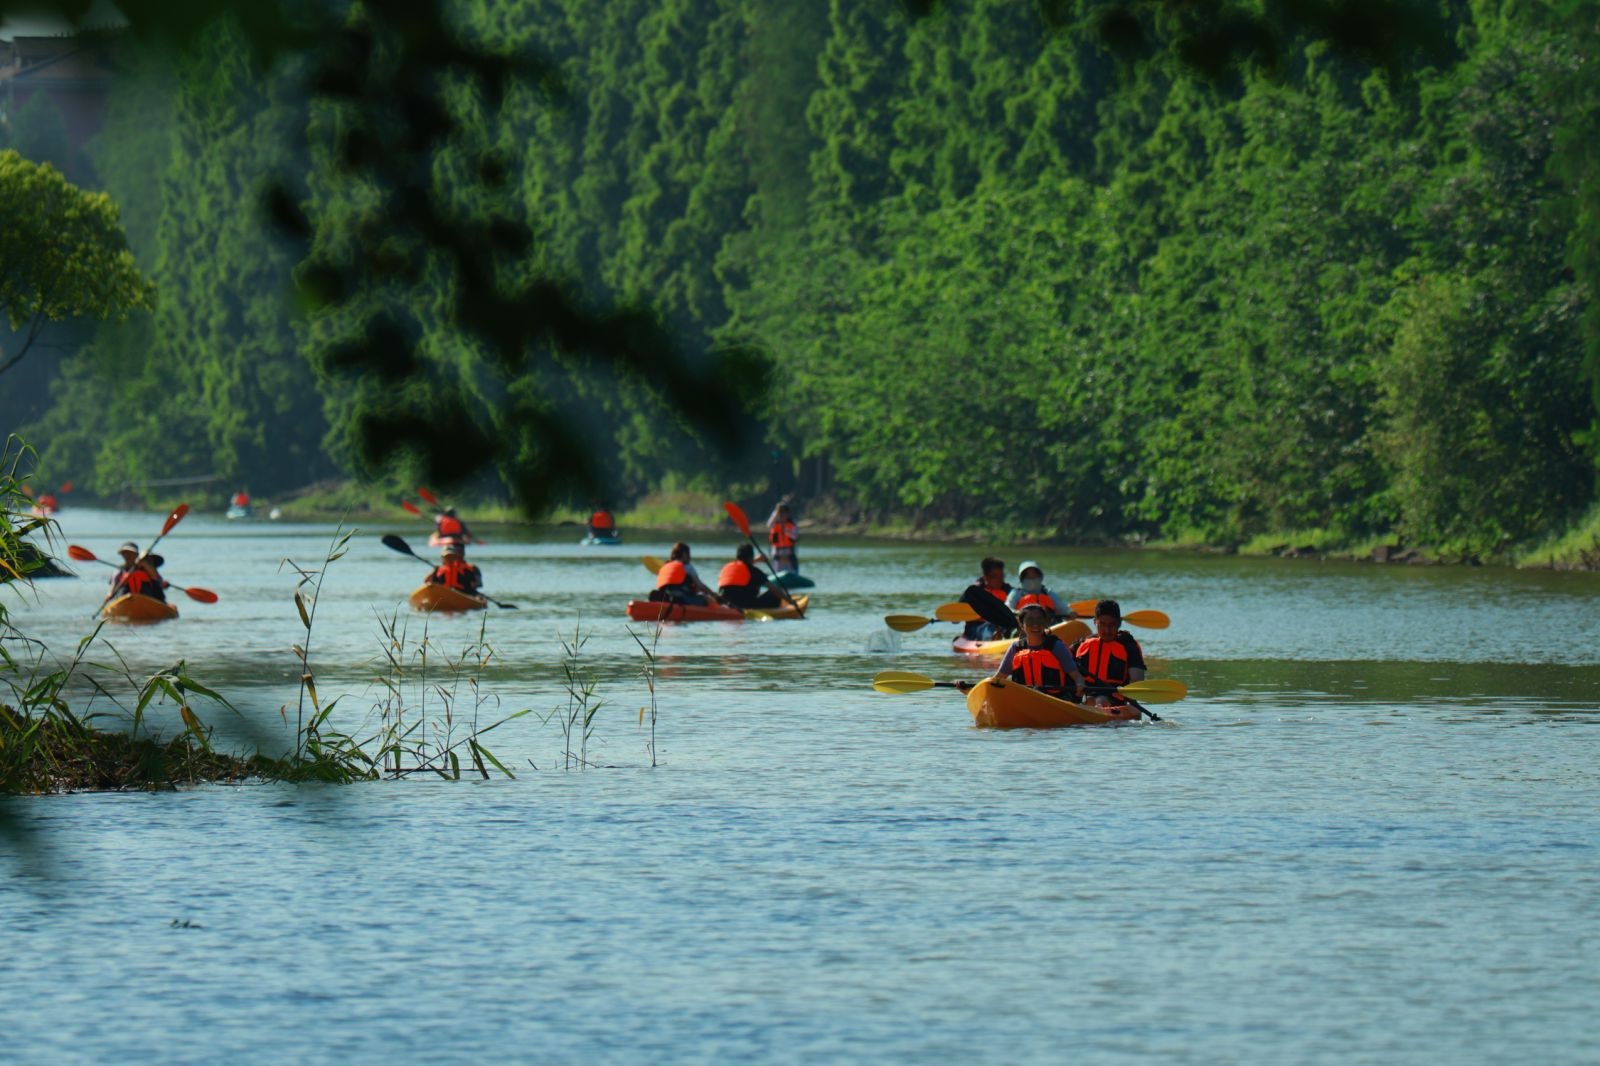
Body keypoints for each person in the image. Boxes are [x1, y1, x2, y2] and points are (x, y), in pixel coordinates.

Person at [958, 602, 1087, 698]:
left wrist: (1080, 685)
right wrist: (971, 689)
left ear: (1046, 623)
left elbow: (1076, 676)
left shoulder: (1056, 646)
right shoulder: (1016, 648)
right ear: (1022, 624)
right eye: (1030, 621)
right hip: (1025, 698)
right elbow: (997, 679)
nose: (1035, 625)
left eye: (1039, 620)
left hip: (1056, 699)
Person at [1070, 599, 1147, 707]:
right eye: (1102, 624)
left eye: (1112, 625)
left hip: (1116, 699)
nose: (1107, 630)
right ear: (1095, 622)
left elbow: (1137, 680)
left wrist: (1126, 693)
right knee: (1093, 700)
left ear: (1119, 623)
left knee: (1100, 700)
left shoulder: (1128, 645)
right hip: (1087, 696)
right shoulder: (1081, 644)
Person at [959, 556, 1015, 641]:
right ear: (985, 577)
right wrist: (955, 619)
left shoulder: (1009, 591)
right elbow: (958, 613)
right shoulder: (973, 593)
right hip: (976, 626)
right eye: (995, 576)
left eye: (1001, 576)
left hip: (1002, 626)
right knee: (989, 629)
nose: (999, 580)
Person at [649, 542, 719, 606]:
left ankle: (667, 599)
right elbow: (700, 585)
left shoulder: (665, 566)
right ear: (685, 554)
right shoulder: (687, 567)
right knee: (706, 598)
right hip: (682, 599)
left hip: (666, 595)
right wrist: (713, 595)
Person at [717, 543, 784, 609]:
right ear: (750, 557)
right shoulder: (754, 571)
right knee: (774, 595)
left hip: (724, 602)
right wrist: (790, 601)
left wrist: (757, 560)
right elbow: (774, 590)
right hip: (745, 605)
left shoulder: (727, 567)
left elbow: (744, 563)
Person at [1004, 560, 1072, 621]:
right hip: (1024, 626)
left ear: (1040, 577)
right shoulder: (1016, 593)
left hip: (1049, 625)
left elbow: (1062, 607)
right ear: (1022, 578)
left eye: (1034, 575)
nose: (1031, 579)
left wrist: (1070, 613)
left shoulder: (1048, 592)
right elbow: (1007, 608)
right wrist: (1017, 612)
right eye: (1027, 576)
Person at [766, 499, 799, 573]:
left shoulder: (792, 523)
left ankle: (793, 574)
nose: (783, 515)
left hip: (789, 553)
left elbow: (795, 537)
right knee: (776, 568)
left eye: (785, 513)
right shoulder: (774, 522)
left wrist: (788, 532)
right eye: (781, 513)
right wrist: (776, 512)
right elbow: (768, 525)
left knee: (793, 567)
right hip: (777, 553)